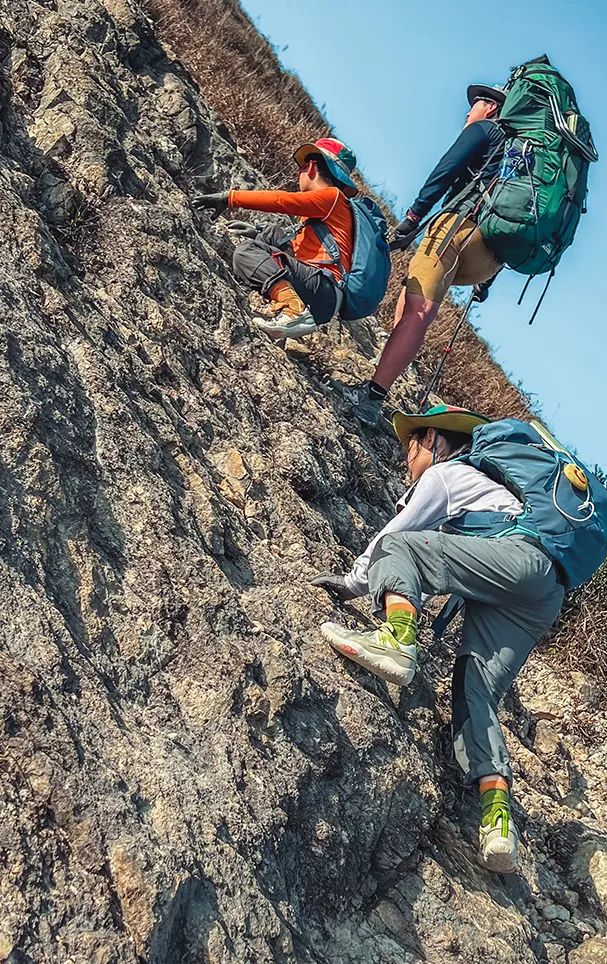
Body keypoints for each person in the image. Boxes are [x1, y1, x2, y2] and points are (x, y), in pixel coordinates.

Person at [312, 404, 564, 872]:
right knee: (476, 685)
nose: (407, 460)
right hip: (545, 587)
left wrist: (351, 583)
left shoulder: (447, 475)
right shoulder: (502, 492)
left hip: (514, 558)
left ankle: (396, 640)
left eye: (410, 447)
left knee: (398, 548)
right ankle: (497, 822)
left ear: (433, 440)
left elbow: (396, 535)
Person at [349, 85, 507, 426]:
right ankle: (386, 370)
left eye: (476, 103)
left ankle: (372, 399)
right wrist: (489, 279)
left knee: (418, 312)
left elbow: (444, 171)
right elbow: (511, 222)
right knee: (411, 298)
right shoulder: (522, 157)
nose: (469, 111)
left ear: (492, 108)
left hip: (455, 231)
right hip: (488, 260)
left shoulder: (484, 131)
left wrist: (413, 218)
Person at [192, 137, 358, 340]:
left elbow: (282, 201)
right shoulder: (334, 207)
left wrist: (230, 198)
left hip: (323, 288)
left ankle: (293, 309)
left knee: (245, 252)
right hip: (322, 292)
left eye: (302, 167)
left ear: (312, 167)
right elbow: (293, 242)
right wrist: (257, 233)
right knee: (272, 233)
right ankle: (284, 307)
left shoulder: (331, 197)